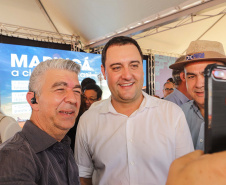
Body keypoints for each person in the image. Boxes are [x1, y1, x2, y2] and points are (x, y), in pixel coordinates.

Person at [75, 36, 193, 185]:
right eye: (117, 67)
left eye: (134, 65)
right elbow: (83, 177)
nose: (127, 75)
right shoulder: (89, 120)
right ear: (104, 72)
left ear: (142, 69)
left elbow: (188, 174)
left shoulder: (172, 114)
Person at [0, 59, 81, 185]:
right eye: (60, 89)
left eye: (77, 91)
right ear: (33, 100)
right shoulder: (14, 157)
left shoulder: (63, 144)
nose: (73, 99)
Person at [169, 40, 226, 150]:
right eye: (191, 76)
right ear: (184, 78)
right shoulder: (179, 114)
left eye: (207, 74)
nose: (199, 84)